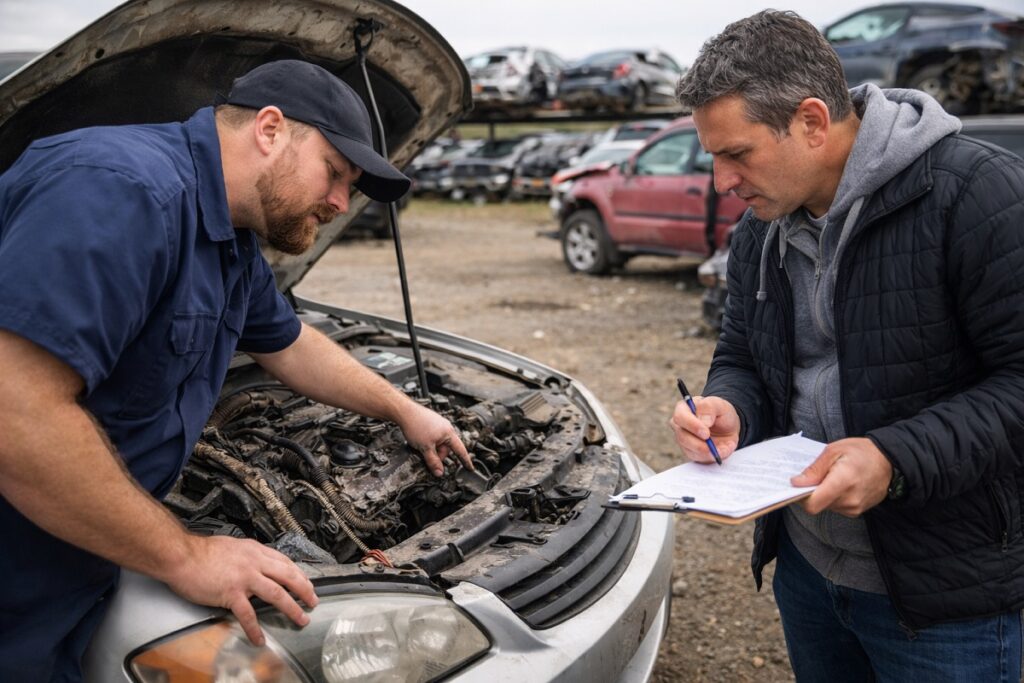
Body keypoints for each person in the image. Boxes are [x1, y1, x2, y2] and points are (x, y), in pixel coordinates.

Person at [0, 59, 473, 681]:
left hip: (81, 548)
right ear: (270, 130)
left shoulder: (230, 234)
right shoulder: (120, 191)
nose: (339, 202)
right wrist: (185, 555)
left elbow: (289, 343)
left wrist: (403, 409)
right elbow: (16, 412)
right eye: (334, 173)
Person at [669, 10, 1024, 681]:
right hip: (809, 575)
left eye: (736, 153)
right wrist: (731, 407)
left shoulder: (977, 195)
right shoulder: (760, 231)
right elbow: (743, 353)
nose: (722, 182)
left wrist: (895, 456)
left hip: (947, 597)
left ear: (811, 121)